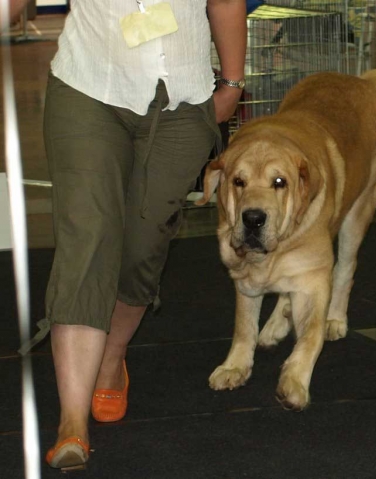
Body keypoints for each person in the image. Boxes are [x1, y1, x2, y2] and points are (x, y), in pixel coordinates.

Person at [42, 0, 247, 469]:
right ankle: (72, 423)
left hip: (182, 101)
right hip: (88, 88)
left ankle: (112, 357)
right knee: (86, 241)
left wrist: (232, 83)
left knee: (142, 249)